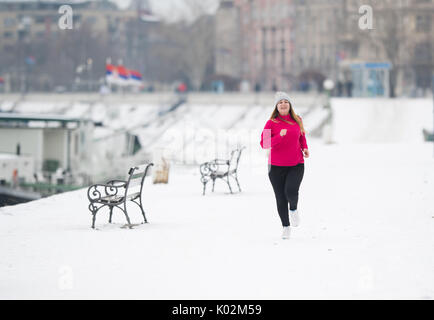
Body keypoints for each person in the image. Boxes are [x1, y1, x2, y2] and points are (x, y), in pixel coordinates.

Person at [260, 92, 309, 239]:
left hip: (296, 164)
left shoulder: (297, 120)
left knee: (291, 191)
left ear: (290, 105)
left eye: (285, 102)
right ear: (276, 106)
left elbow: (302, 137)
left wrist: (305, 148)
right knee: (280, 197)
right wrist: (278, 136)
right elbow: (264, 144)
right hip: (275, 167)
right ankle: (286, 227)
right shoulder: (271, 123)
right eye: (280, 102)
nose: (283, 104)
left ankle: (293, 209)